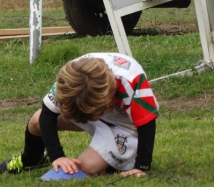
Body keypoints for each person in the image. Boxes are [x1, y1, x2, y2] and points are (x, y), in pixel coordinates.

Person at [0, 52, 158, 177]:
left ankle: (114, 162)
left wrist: (141, 166)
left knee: (84, 168)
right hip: (91, 110)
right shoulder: (72, 76)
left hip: (124, 125)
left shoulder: (131, 80)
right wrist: (58, 156)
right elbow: (47, 115)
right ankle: (32, 159)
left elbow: (147, 123)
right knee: (36, 120)